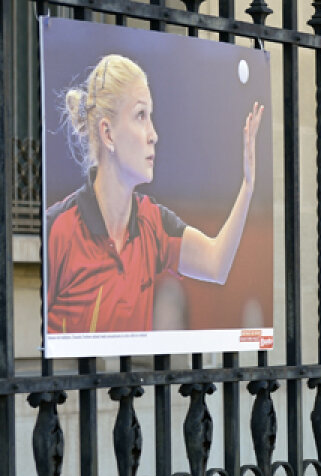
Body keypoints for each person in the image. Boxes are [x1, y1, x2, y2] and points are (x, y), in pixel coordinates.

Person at [46, 54, 263, 335]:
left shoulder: (153, 224)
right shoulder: (58, 229)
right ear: (108, 134)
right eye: (140, 116)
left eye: (151, 116)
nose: (153, 134)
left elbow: (216, 265)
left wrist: (247, 188)